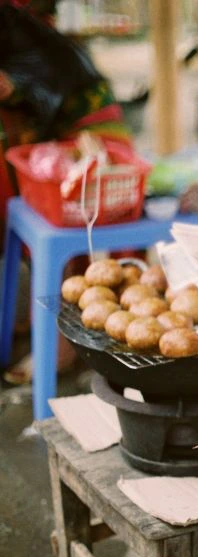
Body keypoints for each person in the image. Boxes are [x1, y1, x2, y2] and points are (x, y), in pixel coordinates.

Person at [1, 3, 132, 384]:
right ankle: (48, 326)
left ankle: (66, 343)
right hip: (47, 120)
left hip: (82, 120)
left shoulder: (24, 30)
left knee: (77, 222)